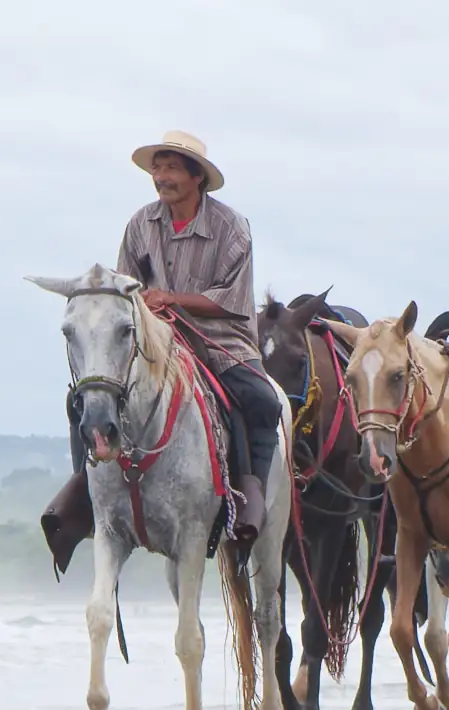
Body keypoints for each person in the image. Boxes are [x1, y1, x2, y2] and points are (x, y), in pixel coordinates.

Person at [40, 130, 285, 573]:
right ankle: (87, 489)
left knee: (262, 401)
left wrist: (172, 299)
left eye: (171, 167)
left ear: (197, 177)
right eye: (157, 168)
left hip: (220, 341)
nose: (161, 176)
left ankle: (248, 500)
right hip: (154, 340)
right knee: (87, 396)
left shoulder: (231, 228)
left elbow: (231, 300)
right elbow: (125, 291)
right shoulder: (140, 224)